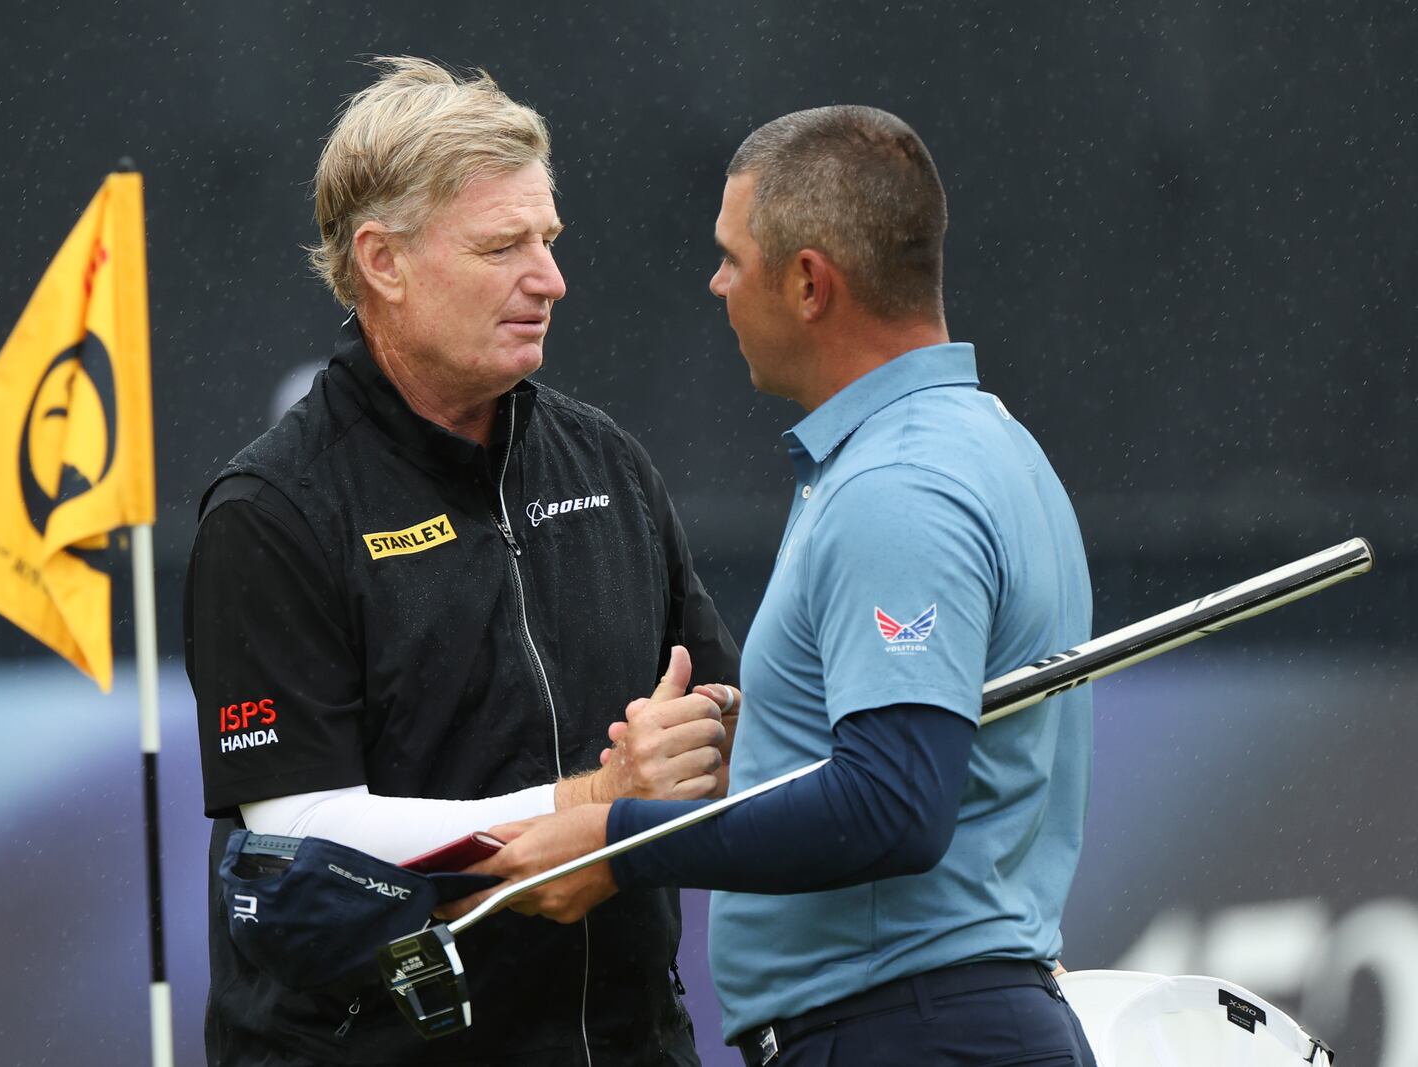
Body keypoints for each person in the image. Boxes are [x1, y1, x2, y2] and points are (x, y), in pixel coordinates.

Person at [447, 106, 1099, 1066]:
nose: (715, 285)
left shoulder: (896, 489)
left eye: (731, 258)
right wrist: (735, 740)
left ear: (807, 282)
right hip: (942, 1021)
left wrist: (616, 841)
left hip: (903, 1032)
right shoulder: (982, 442)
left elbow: (893, 804)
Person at [182, 58, 740, 1066]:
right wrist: (587, 806)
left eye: (549, 240)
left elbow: (726, 721)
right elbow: (303, 839)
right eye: (502, 245)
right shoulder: (273, 510)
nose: (550, 279)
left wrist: (710, 742)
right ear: (382, 261)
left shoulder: (607, 463)